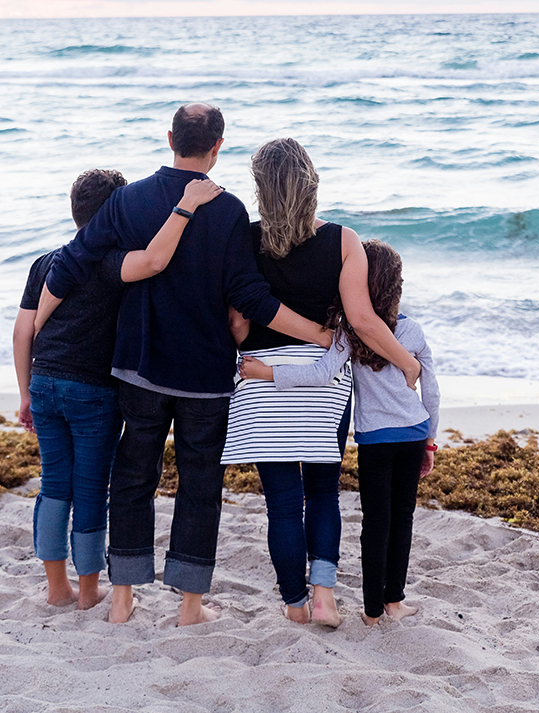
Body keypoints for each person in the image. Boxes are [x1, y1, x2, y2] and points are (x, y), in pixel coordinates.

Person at [36, 104, 332, 626]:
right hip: (204, 374)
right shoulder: (230, 211)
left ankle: (123, 598)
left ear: (170, 136)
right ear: (218, 147)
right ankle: (190, 607)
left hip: (140, 367)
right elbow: (251, 297)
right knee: (199, 486)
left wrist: (38, 326)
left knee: (132, 479)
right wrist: (320, 335)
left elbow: (74, 261)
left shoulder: (128, 200)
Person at [220, 139, 421, 627]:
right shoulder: (343, 240)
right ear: (311, 182)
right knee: (324, 492)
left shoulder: (244, 240)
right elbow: (363, 320)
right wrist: (407, 364)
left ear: (261, 188)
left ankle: (295, 604)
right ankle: (326, 594)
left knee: (283, 503)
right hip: (324, 382)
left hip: (262, 381)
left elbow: (238, 328)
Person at [13, 168, 222, 610]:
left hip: (44, 384)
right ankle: (88, 592)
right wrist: (186, 208)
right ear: (116, 211)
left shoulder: (46, 261)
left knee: (54, 485)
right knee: (89, 489)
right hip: (92, 392)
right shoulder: (109, 263)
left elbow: (22, 332)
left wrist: (25, 394)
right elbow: (152, 260)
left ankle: (56, 588)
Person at [241, 240, 439, 625]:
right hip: (414, 434)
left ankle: (370, 612)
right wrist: (431, 438)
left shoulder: (350, 333)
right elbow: (431, 390)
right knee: (403, 518)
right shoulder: (412, 331)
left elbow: (319, 374)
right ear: (397, 285)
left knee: (375, 521)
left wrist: (266, 372)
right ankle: (394, 600)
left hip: (374, 440)